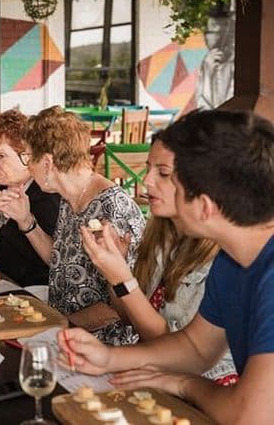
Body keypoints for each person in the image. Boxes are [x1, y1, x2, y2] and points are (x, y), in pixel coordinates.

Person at [60, 109, 274, 423]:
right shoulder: (234, 259)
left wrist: (184, 384)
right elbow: (196, 346)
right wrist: (109, 358)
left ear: (204, 207)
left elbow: (248, 415)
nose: (150, 185)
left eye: (171, 180)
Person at [79, 132, 236, 383]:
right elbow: (130, 317)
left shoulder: (223, 257)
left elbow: (178, 350)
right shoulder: (164, 234)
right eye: (149, 168)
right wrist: (114, 272)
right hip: (156, 375)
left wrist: (121, 277)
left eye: (162, 173)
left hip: (203, 389)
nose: (147, 180)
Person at [7, 106, 144, 345]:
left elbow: (123, 307)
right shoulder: (71, 198)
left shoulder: (111, 209)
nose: (27, 166)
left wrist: (55, 328)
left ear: (48, 162)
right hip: (66, 334)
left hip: (104, 347)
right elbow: (61, 262)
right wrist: (26, 221)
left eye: (28, 158)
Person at [0, 109, 60, 286]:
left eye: (1, 156)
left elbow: (44, 262)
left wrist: (1, 207)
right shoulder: (3, 188)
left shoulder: (47, 196)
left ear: (26, 156)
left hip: (30, 293)